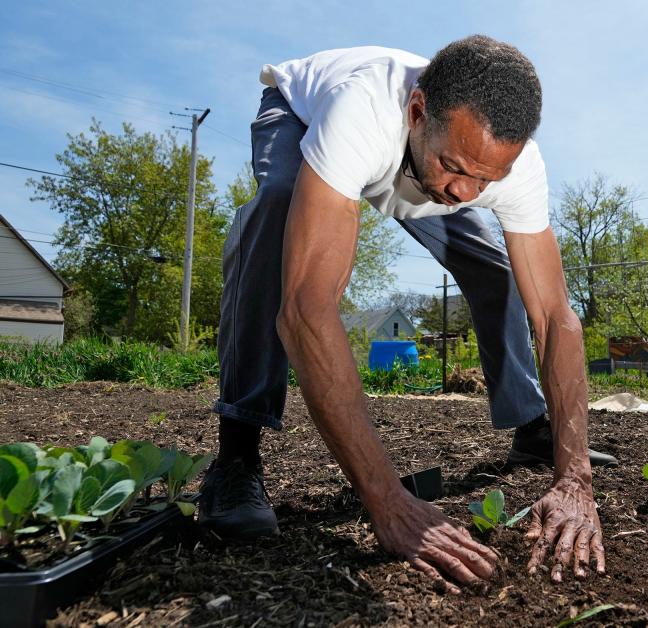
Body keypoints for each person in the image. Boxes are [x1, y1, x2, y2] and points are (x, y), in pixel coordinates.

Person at [198, 35, 616, 589]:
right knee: (277, 221)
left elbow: (556, 317)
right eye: (457, 167)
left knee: (498, 272)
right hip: (302, 118)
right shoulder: (362, 111)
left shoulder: (502, 166)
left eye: (486, 181)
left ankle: (530, 425)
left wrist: (576, 479)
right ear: (418, 112)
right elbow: (306, 310)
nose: (465, 192)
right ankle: (237, 456)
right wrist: (387, 500)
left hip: (412, 162)